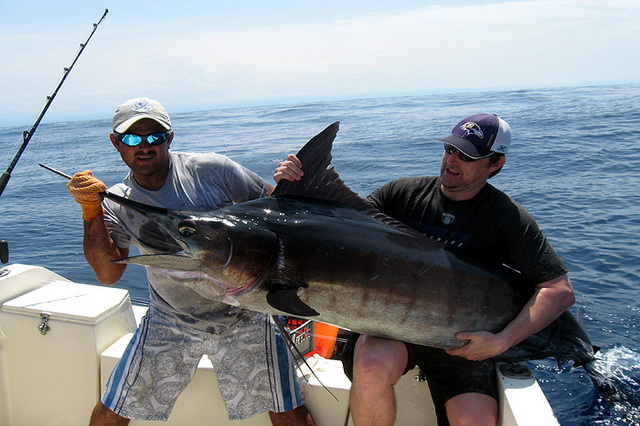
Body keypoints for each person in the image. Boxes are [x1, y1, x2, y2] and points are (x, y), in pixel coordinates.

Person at [274, 113, 575, 426]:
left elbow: (559, 290)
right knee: (372, 365)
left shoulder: (508, 218)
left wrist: (503, 341)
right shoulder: (401, 195)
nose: (452, 161)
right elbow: (332, 230)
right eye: (450, 150)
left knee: (475, 421)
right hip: (392, 330)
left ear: (496, 164)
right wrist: (290, 190)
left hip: (463, 344)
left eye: (468, 156)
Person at [67, 97, 314, 426]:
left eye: (155, 137)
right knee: (111, 412)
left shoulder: (215, 170)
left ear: (169, 138)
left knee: (288, 411)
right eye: (131, 138)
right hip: (170, 319)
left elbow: (277, 214)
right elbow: (108, 274)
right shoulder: (117, 202)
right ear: (115, 142)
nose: (144, 146)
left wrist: (293, 183)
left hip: (243, 313)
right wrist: (91, 212)